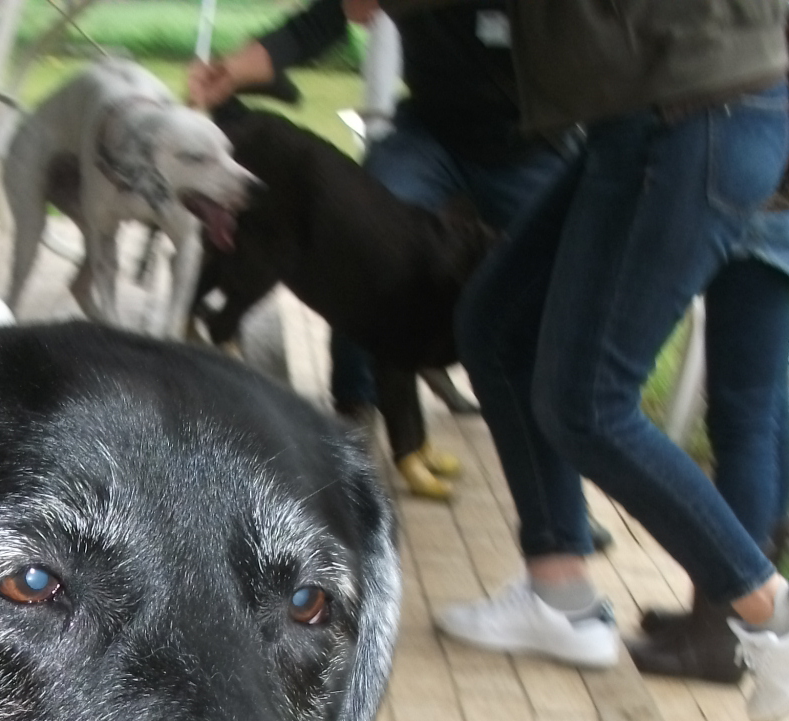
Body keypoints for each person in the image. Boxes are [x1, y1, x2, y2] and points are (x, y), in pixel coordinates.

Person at [433, 0, 789, 721]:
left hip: (694, 117)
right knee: (498, 325)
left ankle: (782, 614)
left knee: (588, 403)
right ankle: (559, 593)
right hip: (648, 116)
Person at [189, 0, 572, 500]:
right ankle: (355, 412)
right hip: (432, 137)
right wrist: (233, 71)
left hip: (532, 149)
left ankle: (558, 503)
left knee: (564, 288)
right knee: (374, 241)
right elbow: (324, 19)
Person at [629, 0, 789, 682]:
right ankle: (738, 604)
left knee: (741, 408)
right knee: (762, 404)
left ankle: (730, 627)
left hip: (771, 183)